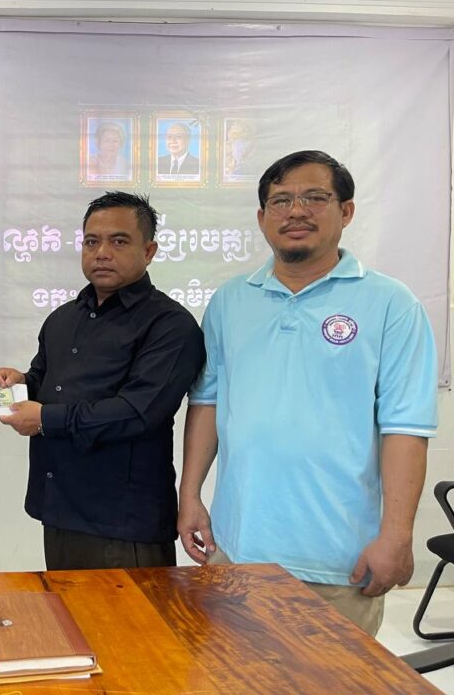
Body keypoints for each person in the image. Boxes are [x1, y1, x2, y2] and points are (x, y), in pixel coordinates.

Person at [177, 150, 437, 637]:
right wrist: (189, 494)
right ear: (262, 217)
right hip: (237, 551)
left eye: (315, 197)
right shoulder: (231, 300)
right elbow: (207, 402)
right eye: (281, 201)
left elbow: (405, 427)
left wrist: (397, 535)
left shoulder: (391, 304)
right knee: (231, 673)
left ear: (347, 211)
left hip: (339, 564)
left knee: (334, 678)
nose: (296, 211)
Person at [0, 191, 205, 570]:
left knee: (129, 613)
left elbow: (137, 413)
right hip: (59, 506)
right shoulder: (62, 318)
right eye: (92, 242)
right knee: (64, 610)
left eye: (118, 241)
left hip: (122, 521)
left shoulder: (170, 326)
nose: (102, 253)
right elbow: (47, 380)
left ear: (149, 251)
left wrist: (44, 419)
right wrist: (21, 382)